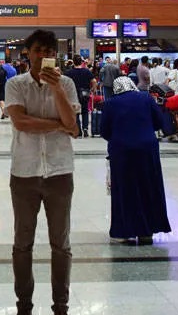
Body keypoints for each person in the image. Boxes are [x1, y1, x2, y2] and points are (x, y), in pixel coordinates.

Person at [3, 29, 79, 315]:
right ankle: (24, 310)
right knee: (23, 245)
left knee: (61, 245)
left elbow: (73, 125)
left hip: (60, 172)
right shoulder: (15, 84)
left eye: (49, 50)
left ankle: (61, 311)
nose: (43, 55)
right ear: (28, 53)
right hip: (24, 172)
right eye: (38, 50)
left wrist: (57, 90)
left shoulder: (68, 83)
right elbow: (20, 122)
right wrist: (59, 125)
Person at [101, 76, 171, 244]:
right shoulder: (146, 98)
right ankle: (148, 230)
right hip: (147, 148)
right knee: (149, 186)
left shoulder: (110, 103)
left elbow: (104, 130)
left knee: (125, 189)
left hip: (121, 150)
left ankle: (125, 231)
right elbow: (159, 122)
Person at [64, 58, 96, 137]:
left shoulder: (69, 72)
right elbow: (94, 81)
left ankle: (78, 130)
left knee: (76, 112)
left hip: (73, 94)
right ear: (81, 62)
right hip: (85, 93)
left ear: (73, 63)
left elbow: (64, 82)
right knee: (85, 111)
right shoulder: (86, 71)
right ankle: (85, 129)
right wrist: (93, 89)